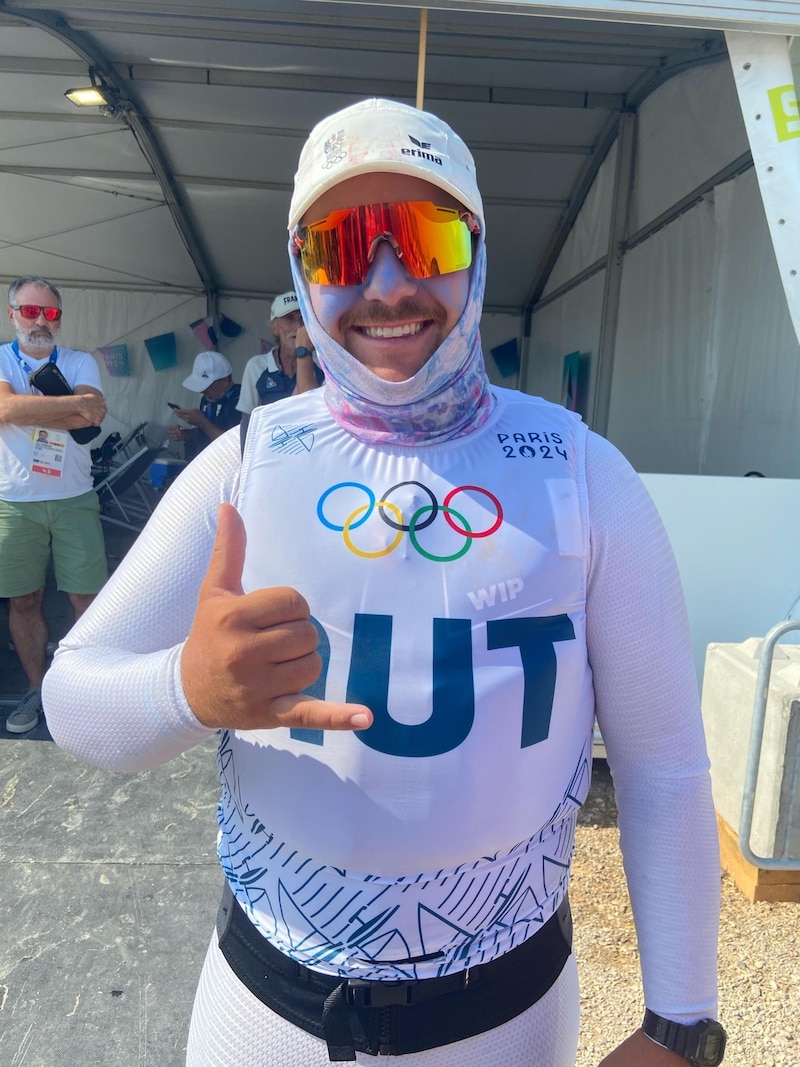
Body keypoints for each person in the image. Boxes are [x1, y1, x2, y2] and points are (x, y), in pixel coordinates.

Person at [43, 99, 725, 1067]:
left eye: (423, 235)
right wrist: (187, 691)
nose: (388, 281)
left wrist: (680, 1025)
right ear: (297, 268)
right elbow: (71, 694)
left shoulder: (580, 474)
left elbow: (661, 765)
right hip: (265, 1011)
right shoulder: (246, 463)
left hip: (507, 1018)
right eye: (342, 246)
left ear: (477, 249)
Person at [1, 275, 107, 733]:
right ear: (12, 315)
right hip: (14, 501)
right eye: (30, 311)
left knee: (88, 599)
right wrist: (70, 408)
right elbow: (4, 411)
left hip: (73, 498)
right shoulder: (2, 358)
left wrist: (22, 405)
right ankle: (37, 688)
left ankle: (85, 690)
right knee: (25, 600)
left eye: (50, 312)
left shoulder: (81, 359)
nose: (41, 320)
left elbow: (95, 411)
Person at [236, 291, 323, 433]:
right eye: (290, 319)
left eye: (303, 318)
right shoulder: (256, 366)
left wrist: (303, 352)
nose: (298, 326)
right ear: (275, 328)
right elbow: (247, 421)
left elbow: (311, 409)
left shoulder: (323, 364)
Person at [169, 351, 241, 458]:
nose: (202, 391)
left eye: (206, 386)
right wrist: (186, 435)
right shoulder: (207, 399)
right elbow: (204, 434)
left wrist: (203, 422)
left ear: (225, 380)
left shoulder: (240, 399)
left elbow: (234, 444)